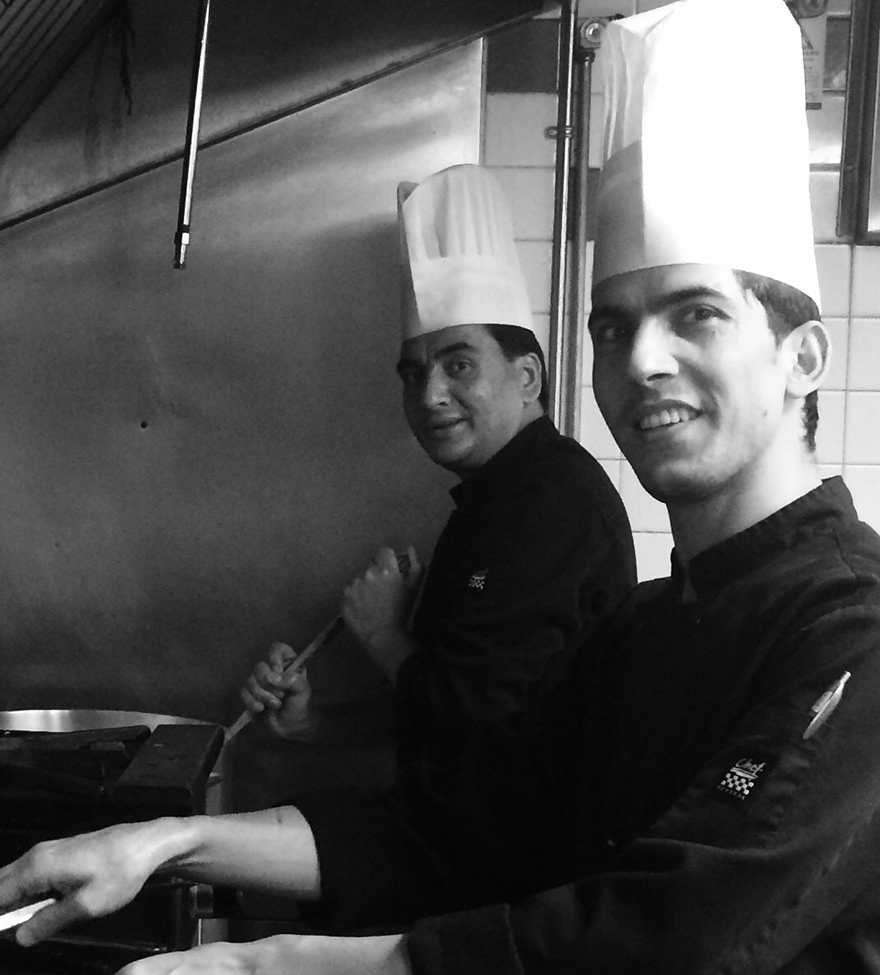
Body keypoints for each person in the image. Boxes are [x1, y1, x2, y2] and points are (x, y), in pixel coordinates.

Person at [0, 1, 880, 972]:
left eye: (696, 315)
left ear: (803, 357)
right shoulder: (647, 632)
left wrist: (280, 960)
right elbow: (457, 827)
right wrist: (161, 841)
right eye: (613, 323)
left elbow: (668, 939)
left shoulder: (868, 645)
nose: (641, 361)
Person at [238, 165, 635, 786]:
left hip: (527, 871)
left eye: (459, 364)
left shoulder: (553, 505)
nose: (430, 396)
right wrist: (313, 721)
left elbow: (482, 728)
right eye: (414, 374)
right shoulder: (489, 503)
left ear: (527, 376)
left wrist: (384, 631)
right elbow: (440, 714)